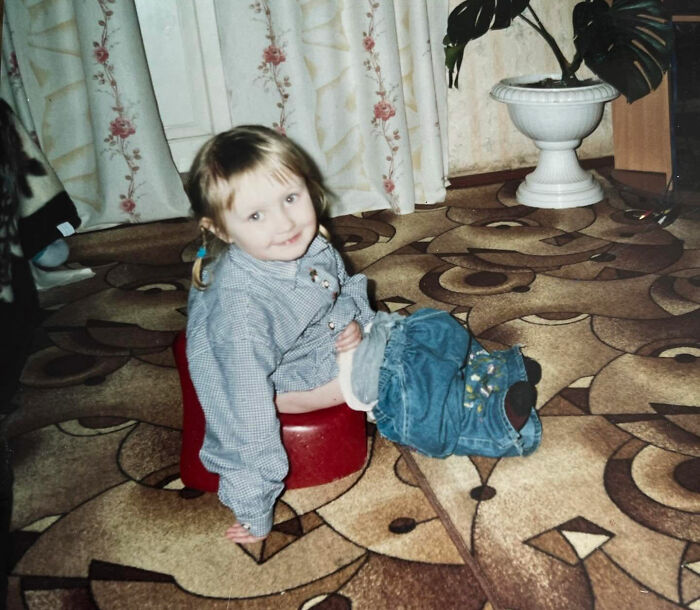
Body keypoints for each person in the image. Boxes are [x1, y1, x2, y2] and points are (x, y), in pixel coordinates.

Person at [185, 125, 542, 544]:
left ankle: (492, 371)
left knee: (434, 327)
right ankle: (495, 421)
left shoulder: (303, 242)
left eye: (290, 198)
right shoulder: (240, 313)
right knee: (407, 386)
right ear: (223, 230)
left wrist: (351, 320)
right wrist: (253, 507)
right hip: (294, 381)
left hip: (328, 341)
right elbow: (241, 416)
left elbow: (333, 289)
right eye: (256, 215)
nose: (284, 222)